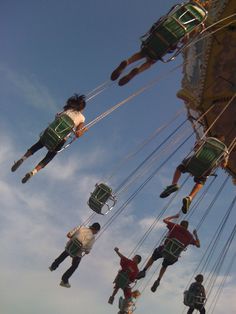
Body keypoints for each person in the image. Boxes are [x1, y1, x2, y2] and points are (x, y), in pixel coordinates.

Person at [110, 1, 207, 86]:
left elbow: (167, 16)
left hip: (159, 34)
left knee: (142, 53)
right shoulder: (197, 23)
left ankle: (128, 62)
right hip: (166, 44)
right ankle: (137, 70)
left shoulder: (185, 8)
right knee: (150, 62)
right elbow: (185, 41)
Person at [11, 94, 87, 183]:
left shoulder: (67, 110)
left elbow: (57, 117)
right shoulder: (82, 118)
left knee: (38, 145)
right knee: (49, 156)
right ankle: (33, 172)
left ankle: (23, 158)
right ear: (82, 108)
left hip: (50, 132)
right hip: (60, 139)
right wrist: (84, 130)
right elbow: (78, 134)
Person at [160, 135, 229, 213]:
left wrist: (197, 148)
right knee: (201, 181)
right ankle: (190, 197)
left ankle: (174, 184)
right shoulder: (225, 150)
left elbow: (196, 145)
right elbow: (224, 164)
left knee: (180, 167)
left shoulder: (208, 140)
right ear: (223, 142)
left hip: (194, 161)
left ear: (214, 137)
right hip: (206, 167)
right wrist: (219, 162)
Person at [137, 214, 200, 292]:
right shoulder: (190, 236)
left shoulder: (175, 226)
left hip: (164, 249)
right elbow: (198, 245)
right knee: (165, 265)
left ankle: (144, 271)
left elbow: (164, 220)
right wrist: (195, 235)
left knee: (154, 256)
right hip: (173, 256)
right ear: (187, 227)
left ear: (180, 224)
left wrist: (174, 217)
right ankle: (158, 279)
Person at [49, 222, 101, 288]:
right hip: (77, 252)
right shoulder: (92, 238)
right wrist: (86, 251)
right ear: (96, 230)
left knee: (65, 254)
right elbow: (87, 251)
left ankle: (53, 266)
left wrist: (74, 238)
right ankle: (64, 280)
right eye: (97, 231)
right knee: (74, 266)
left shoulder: (81, 227)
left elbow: (68, 235)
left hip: (69, 246)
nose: (96, 233)